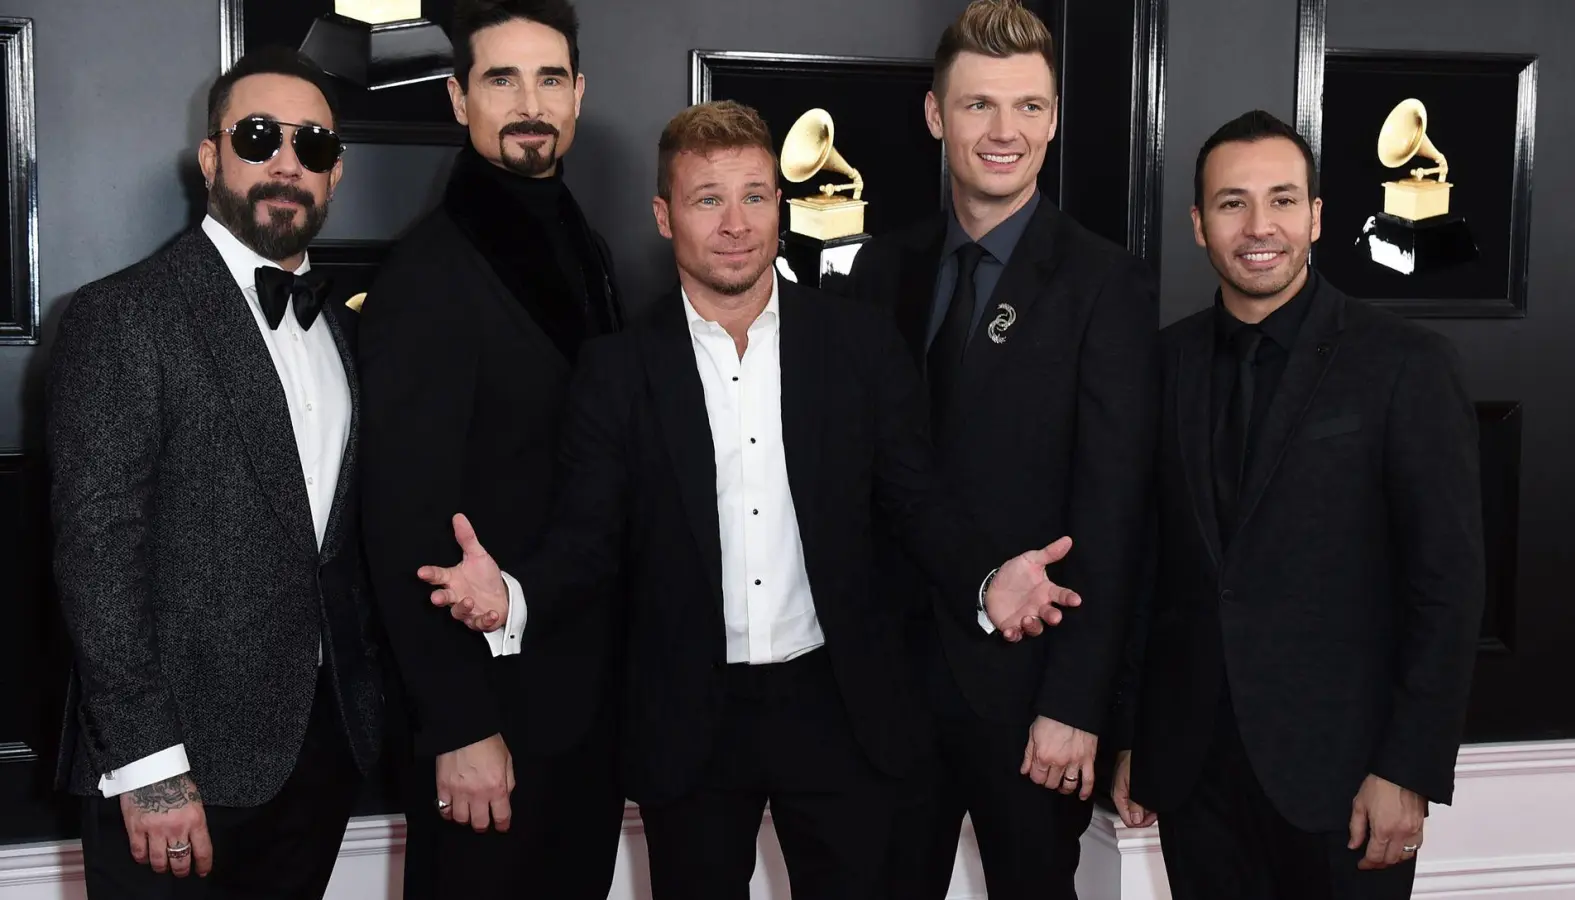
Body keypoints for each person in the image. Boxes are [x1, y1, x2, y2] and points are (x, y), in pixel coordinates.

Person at [420, 100, 1083, 899]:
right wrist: (514, 599)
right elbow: (587, 540)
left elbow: (917, 503)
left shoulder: (860, 344)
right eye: (708, 200)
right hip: (692, 717)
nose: (735, 223)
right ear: (665, 217)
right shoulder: (617, 370)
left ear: (778, 204)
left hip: (842, 710)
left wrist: (985, 580)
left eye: (755, 196)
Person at [1110, 109, 1485, 900]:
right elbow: (1146, 565)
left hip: (1348, 782)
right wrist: (1137, 736)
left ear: (1316, 217)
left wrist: (1407, 769)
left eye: (1282, 200)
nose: (1259, 226)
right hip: (1194, 775)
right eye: (1232, 203)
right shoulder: (1162, 363)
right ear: (1198, 224)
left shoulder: (1406, 365)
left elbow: (1446, 588)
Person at [45, 47, 383, 898]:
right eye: (260, 135)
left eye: (312, 146)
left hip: (318, 757)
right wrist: (152, 767)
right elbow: (97, 558)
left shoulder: (345, 335)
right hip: (171, 774)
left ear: (334, 174)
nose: (285, 162)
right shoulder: (124, 316)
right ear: (211, 158)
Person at [843, 1, 1158, 896]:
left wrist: (1075, 704)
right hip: (888, 695)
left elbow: (1116, 508)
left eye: (1028, 106)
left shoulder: (1108, 284)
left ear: (1054, 119)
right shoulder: (879, 271)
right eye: (979, 105)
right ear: (938, 115)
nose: (1004, 131)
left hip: (1030, 702)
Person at [356, 1, 626, 897]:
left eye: (550, 78)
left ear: (579, 95)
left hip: (586, 710)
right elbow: (400, 522)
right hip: (490, 725)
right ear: (457, 98)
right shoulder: (426, 276)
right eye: (501, 79)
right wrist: (458, 726)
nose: (529, 103)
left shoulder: (584, 247)